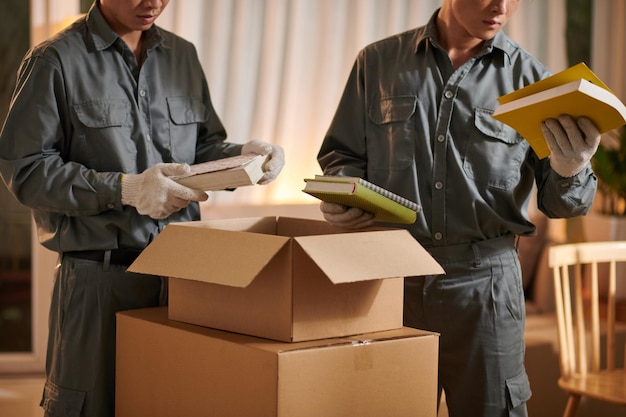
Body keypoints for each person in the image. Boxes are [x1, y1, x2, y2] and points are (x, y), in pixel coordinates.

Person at [0, 1, 284, 416]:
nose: (152, 2)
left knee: (170, 403)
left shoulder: (182, 55)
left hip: (186, 278)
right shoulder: (55, 60)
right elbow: (25, 171)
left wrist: (244, 155)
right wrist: (126, 189)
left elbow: (201, 147)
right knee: (89, 408)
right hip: (100, 279)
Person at [316, 1, 600, 416]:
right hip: (389, 282)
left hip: (486, 291)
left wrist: (571, 168)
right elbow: (341, 155)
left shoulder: (535, 83)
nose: (501, 7)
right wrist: (341, 194)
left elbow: (562, 205)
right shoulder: (375, 63)